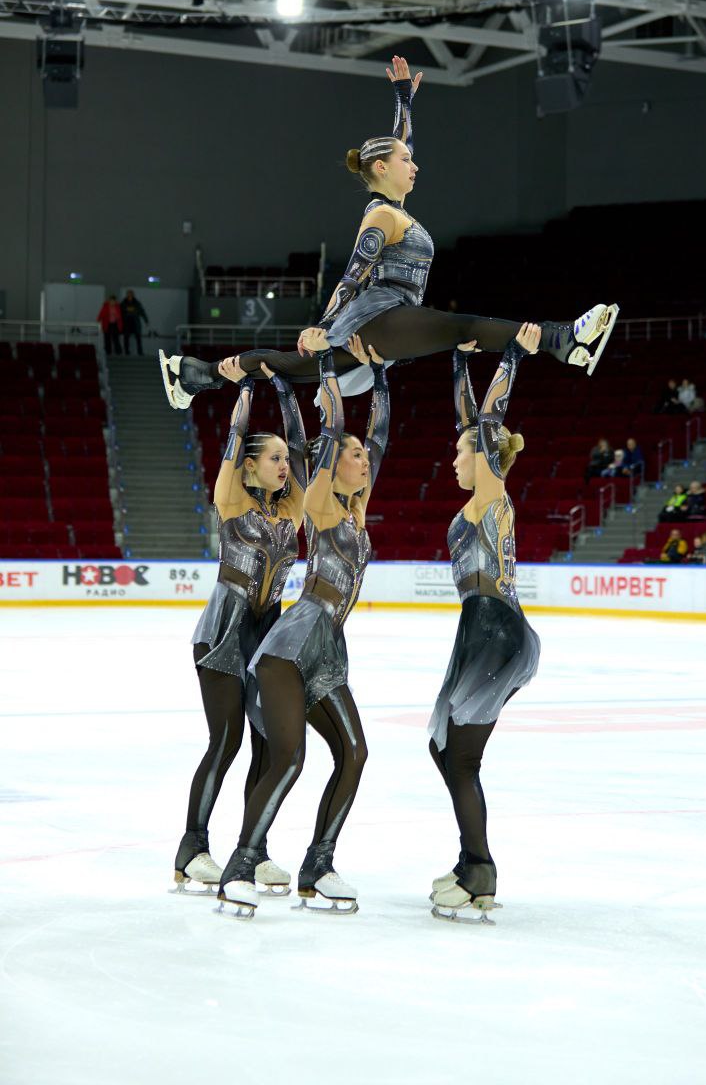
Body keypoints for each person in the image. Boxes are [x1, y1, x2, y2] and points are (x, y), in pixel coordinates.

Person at [159, 56, 619, 410]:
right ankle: (560, 339)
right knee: (462, 327)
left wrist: (404, 99)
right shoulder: (381, 217)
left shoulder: (393, 208)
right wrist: (323, 326)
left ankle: (196, 375)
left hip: (388, 319)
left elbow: (400, 143)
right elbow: (353, 274)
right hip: (379, 316)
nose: (415, 165)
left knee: (290, 366)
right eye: (406, 161)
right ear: (382, 168)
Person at [216, 329, 388, 919]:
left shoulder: (357, 508)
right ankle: (241, 865)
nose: (364, 459)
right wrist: (328, 369)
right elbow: (333, 429)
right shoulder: (318, 502)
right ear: (331, 462)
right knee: (289, 758)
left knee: (354, 752)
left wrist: (381, 375)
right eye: (353, 454)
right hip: (289, 649)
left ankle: (319, 863)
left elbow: (379, 437)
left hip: (328, 650)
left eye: (363, 455)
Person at [173, 360, 307, 897]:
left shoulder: (290, 509)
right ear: (250, 466)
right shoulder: (231, 498)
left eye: (284, 459)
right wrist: (247, 387)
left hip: (267, 632)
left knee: (266, 744)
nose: (284, 465)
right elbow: (233, 439)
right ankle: (192, 848)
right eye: (273, 458)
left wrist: (285, 390)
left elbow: (303, 451)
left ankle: (254, 850)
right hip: (224, 630)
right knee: (225, 741)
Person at [429, 327, 541, 924]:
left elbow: (485, 423)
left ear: (485, 458)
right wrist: (457, 365)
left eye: (461, 453)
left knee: (460, 758)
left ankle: (479, 870)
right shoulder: (479, 500)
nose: (454, 459)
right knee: (444, 746)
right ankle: (470, 861)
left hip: (496, 629)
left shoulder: (491, 495)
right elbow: (471, 424)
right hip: (483, 629)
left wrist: (512, 356)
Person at [121, 289, 149, 355]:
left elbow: (142, 312)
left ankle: (140, 352)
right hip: (127, 323)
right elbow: (120, 312)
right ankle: (127, 352)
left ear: (133, 295)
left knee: (138, 338)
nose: (130, 296)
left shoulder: (137, 303)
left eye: (131, 294)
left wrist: (146, 320)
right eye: (128, 294)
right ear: (127, 295)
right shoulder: (123, 303)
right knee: (126, 338)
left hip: (135, 323)